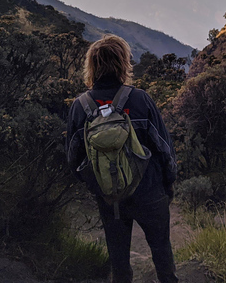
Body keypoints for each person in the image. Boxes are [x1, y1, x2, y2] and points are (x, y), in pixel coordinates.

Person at [66, 35, 178, 283]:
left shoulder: (80, 106)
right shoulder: (140, 99)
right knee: (161, 252)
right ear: (122, 63)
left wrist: (97, 185)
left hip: (110, 198)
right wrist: (168, 182)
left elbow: (73, 159)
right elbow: (164, 148)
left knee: (119, 264)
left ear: (92, 66)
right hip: (149, 192)